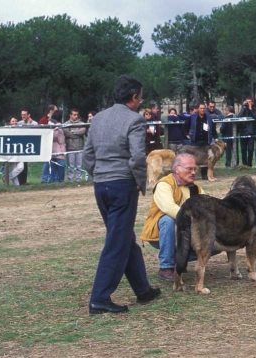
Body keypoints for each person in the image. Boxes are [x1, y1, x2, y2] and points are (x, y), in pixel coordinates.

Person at [83, 75, 160, 314]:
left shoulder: (98, 118)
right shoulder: (135, 120)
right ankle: (100, 298)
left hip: (101, 185)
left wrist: (98, 174)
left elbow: (87, 155)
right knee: (117, 242)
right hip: (122, 185)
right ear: (134, 97)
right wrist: (139, 182)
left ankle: (143, 289)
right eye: (141, 96)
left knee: (124, 238)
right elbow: (137, 157)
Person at [140, 153, 205, 282]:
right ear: (177, 169)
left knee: (216, 244)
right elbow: (170, 208)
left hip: (186, 232)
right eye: (189, 169)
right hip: (160, 234)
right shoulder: (164, 184)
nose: (193, 172)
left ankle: (179, 259)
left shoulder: (196, 188)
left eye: (195, 169)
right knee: (168, 220)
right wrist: (195, 220)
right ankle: (166, 267)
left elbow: (207, 208)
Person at [182, 103, 218, 180]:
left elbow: (213, 129)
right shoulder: (192, 117)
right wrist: (186, 134)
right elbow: (185, 126)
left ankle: (204, 175)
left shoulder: (209, 118)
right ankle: (190, 175)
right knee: (192, 159)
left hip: (205, 142)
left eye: (204, 108)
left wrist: (216, 137)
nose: (202, 110)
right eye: (201, 108)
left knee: (205, 158)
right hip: (195, 142)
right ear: (198, 109)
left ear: (205, 109)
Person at [42, 110, 66, 183]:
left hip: (61, 148)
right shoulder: (50, 125)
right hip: (53, 147)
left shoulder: (61, 125)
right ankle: (53, 180)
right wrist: (57, 127)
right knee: (53, 165)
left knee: (61, 165)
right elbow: (54, 136)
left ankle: (61, 180)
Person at [63, 109, 86, 182]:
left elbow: (83, 131)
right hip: (70, 148)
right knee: (70, 166)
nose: (76, 116)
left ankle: (79, 179)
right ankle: (71, 180)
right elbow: (67, 133)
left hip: (80, 147)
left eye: (77, 115)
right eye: (74, 114)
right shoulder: (66, 123)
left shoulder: (81, 123)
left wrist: (72, 132)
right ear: (70, 115)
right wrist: (77, 133)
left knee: (79, 165)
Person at [18, 109, 38, 185]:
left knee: (24, 164)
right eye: (22, 114)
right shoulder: (19, 123)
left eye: (24, 115)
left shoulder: (35, 123)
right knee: (20, 164)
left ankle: (23, 181)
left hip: (29, 146)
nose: (23, 116)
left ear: (29, 115)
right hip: (20, 146)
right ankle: (19, 182)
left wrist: (28, 124)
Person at [237, 97, 256, 167]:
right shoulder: (243, 109)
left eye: (249, 102)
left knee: (251, 149)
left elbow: (255, 117)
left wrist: (251, 109)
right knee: (243, 149)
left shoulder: (254, 109)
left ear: (252, 103)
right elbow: (239, 116)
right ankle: (244, 164)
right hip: (243, 131)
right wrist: (243, 107)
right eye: (247, 102)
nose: (248, 103)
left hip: (251, 132)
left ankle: (249, 164)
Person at [4, 117, 24, 186]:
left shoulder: (20, 130)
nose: (14, 122)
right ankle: (17, 186)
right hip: (11, 152)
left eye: (16, 121)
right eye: (13, 121)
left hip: (19, 151)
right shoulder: (7, 130)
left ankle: (7, 178)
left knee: (20, 167)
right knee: (14, 169)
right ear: (10, 122)